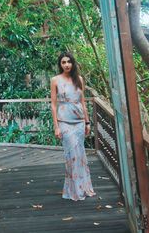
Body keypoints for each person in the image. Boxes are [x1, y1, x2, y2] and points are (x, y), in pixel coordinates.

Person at [51, 52, 96, 201]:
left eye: (69, 62)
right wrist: (56, 126)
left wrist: (88, 122)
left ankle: (83, 187)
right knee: (71, 156)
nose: (66, 65)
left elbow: (82, 102)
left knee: (80, 155)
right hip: (64, 121)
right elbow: (53, 104)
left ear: (72, 63)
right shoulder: (55, 80)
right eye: (63, 62)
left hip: (79, 121)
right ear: (60, 64)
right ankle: (74, 190)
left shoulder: (79, 79)